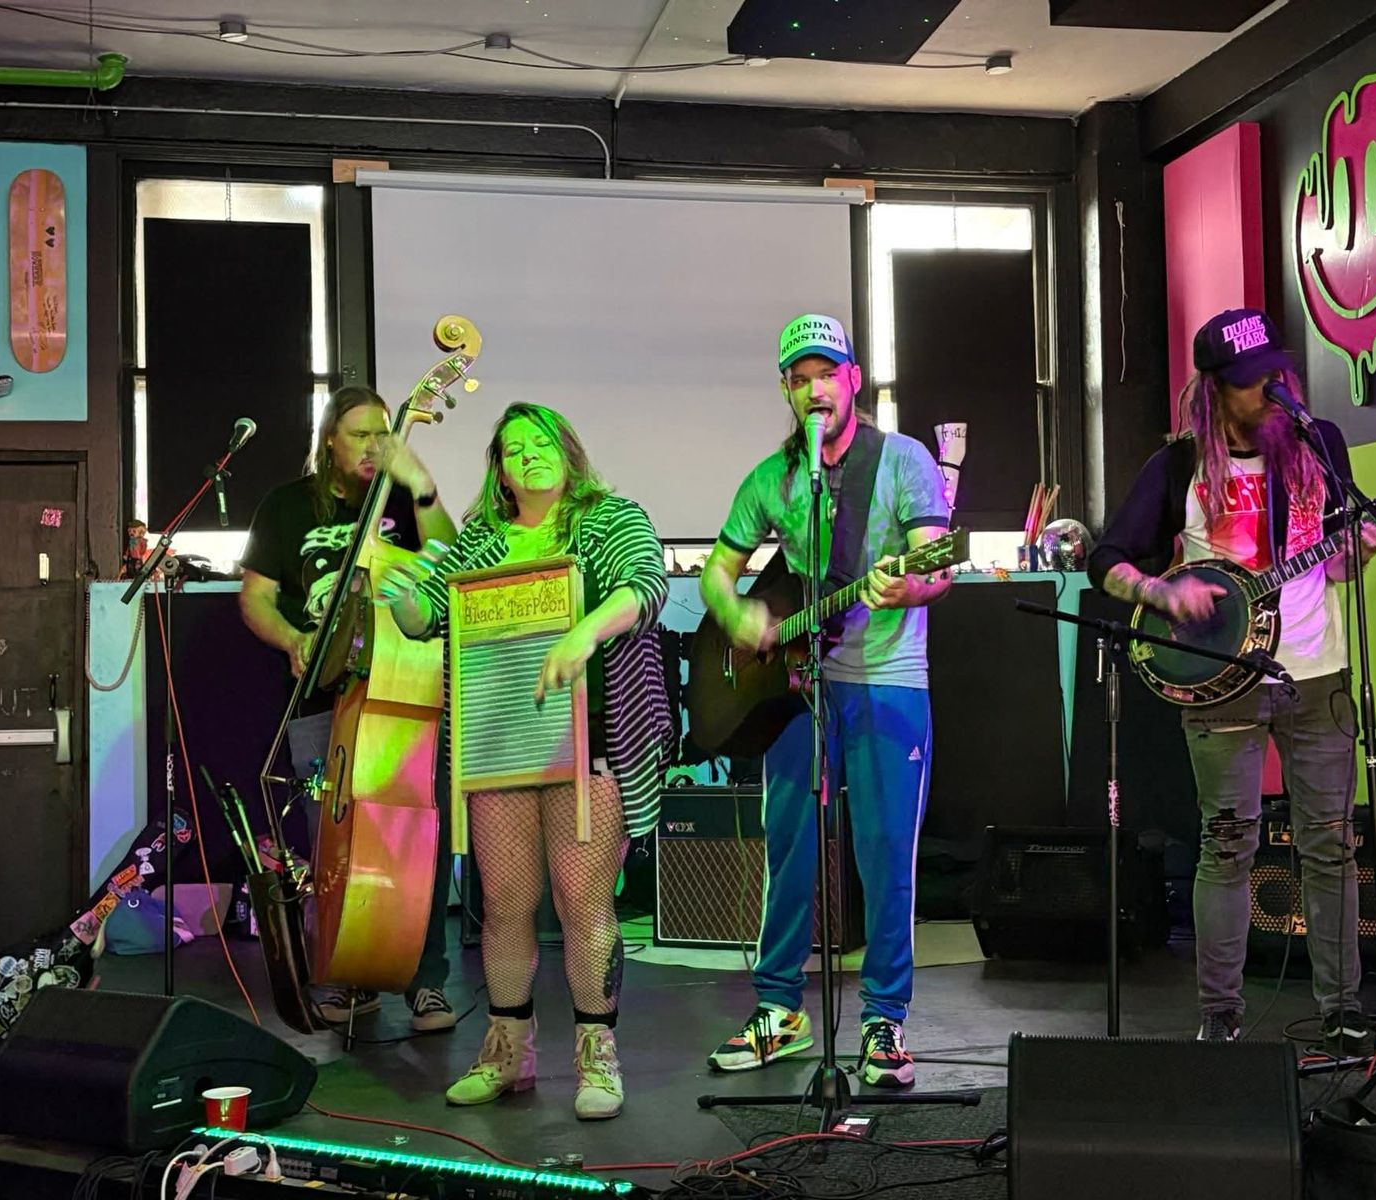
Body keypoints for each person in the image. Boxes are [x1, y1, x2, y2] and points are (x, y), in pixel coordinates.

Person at [1088, 307, 1376, 1053]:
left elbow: (1335, 563)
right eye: (1253, 382)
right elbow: (1106, 559)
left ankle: (1343, 1008)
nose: (1271, 390)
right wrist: (1161, 592)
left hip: (1318, 672)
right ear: (1215, 389)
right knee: (1228, 846)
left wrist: (1357, 551)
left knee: (1331, 846)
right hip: (1223, 681)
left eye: (1276, 374)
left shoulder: (1320, 445)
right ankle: (1219, 1013)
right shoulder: (1178, 467)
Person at [380, 402, 673, 1121]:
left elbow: (646, 584)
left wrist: (583, 633)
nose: (528, 456)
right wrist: (403, 601)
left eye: (539, 442)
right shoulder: (481, 541)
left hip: (593, 745)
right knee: (505, 904)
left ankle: (597, 1054)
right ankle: (507, 1052)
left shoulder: (609, 518)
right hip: (502, 748)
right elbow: (427, 615)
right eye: (512, 450)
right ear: (500, 473)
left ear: (567, 452)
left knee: (582, 901)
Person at [698, 314, 952, 1089]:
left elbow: (936, 566)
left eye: (826, 375)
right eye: (799, 379)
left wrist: (907, 586)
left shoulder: (904, 460)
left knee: (886, 855)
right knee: (789, 849)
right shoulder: (773, 479)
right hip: (798, 690)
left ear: (854, 380)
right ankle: (779, 1007)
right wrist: (739, 614)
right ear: (786, 389)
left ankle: (883, 1020)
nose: (815, 390)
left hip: (887, 679)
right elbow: (718, 569)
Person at [239, 384, 460, 1031]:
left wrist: (422, 486)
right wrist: (294, 639)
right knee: (331, 840)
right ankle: (344, 974)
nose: (373, 447)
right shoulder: (286, 506)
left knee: (417, 839)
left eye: (382, 434)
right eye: (359, 434)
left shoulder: (404, 500)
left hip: (404, 689)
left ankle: (425, 980)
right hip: (322, 696)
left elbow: (451, 560)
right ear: (330, 440)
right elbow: (256, 598)